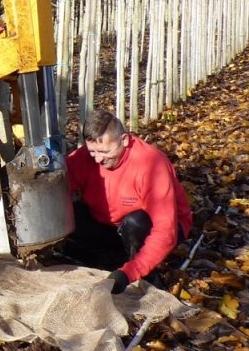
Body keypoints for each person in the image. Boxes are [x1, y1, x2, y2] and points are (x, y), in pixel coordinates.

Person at [63, 109, 193, 294]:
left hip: (153, 227)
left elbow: (166, 230)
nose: (98, 159)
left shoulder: (150, 165)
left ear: (124, 140)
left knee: (136, 223)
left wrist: (129, 273)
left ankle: (146, 276)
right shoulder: (84, 158)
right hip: (108, 224)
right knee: (68, 215)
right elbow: (59, 190)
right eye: (92, 152)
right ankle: (113, 258)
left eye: (105, 152)